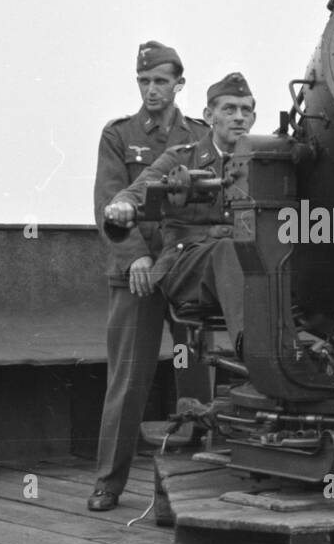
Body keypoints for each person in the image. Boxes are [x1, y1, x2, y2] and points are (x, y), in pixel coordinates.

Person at [89, 41, 210, 513]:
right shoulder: (118, 136)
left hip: (184, 275)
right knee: (128, 381)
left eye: (162, 81)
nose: (152, 89)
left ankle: (202, 478)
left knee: (196, 377)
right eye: (145, 81)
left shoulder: (198, 136)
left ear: (180, 83)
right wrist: (136, 256)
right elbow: (109, 203)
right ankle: (108, 483)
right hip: (136, 279)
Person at [105, 72, 256, 354]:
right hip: (186, 266)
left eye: (246, 110)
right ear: (209, 115)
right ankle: (255, 349)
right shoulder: (181, 158)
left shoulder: (262, 163)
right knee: (228, 249)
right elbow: (135, 192)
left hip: (237, 269)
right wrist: (123, 206)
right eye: (229, 109)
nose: (239, 117)